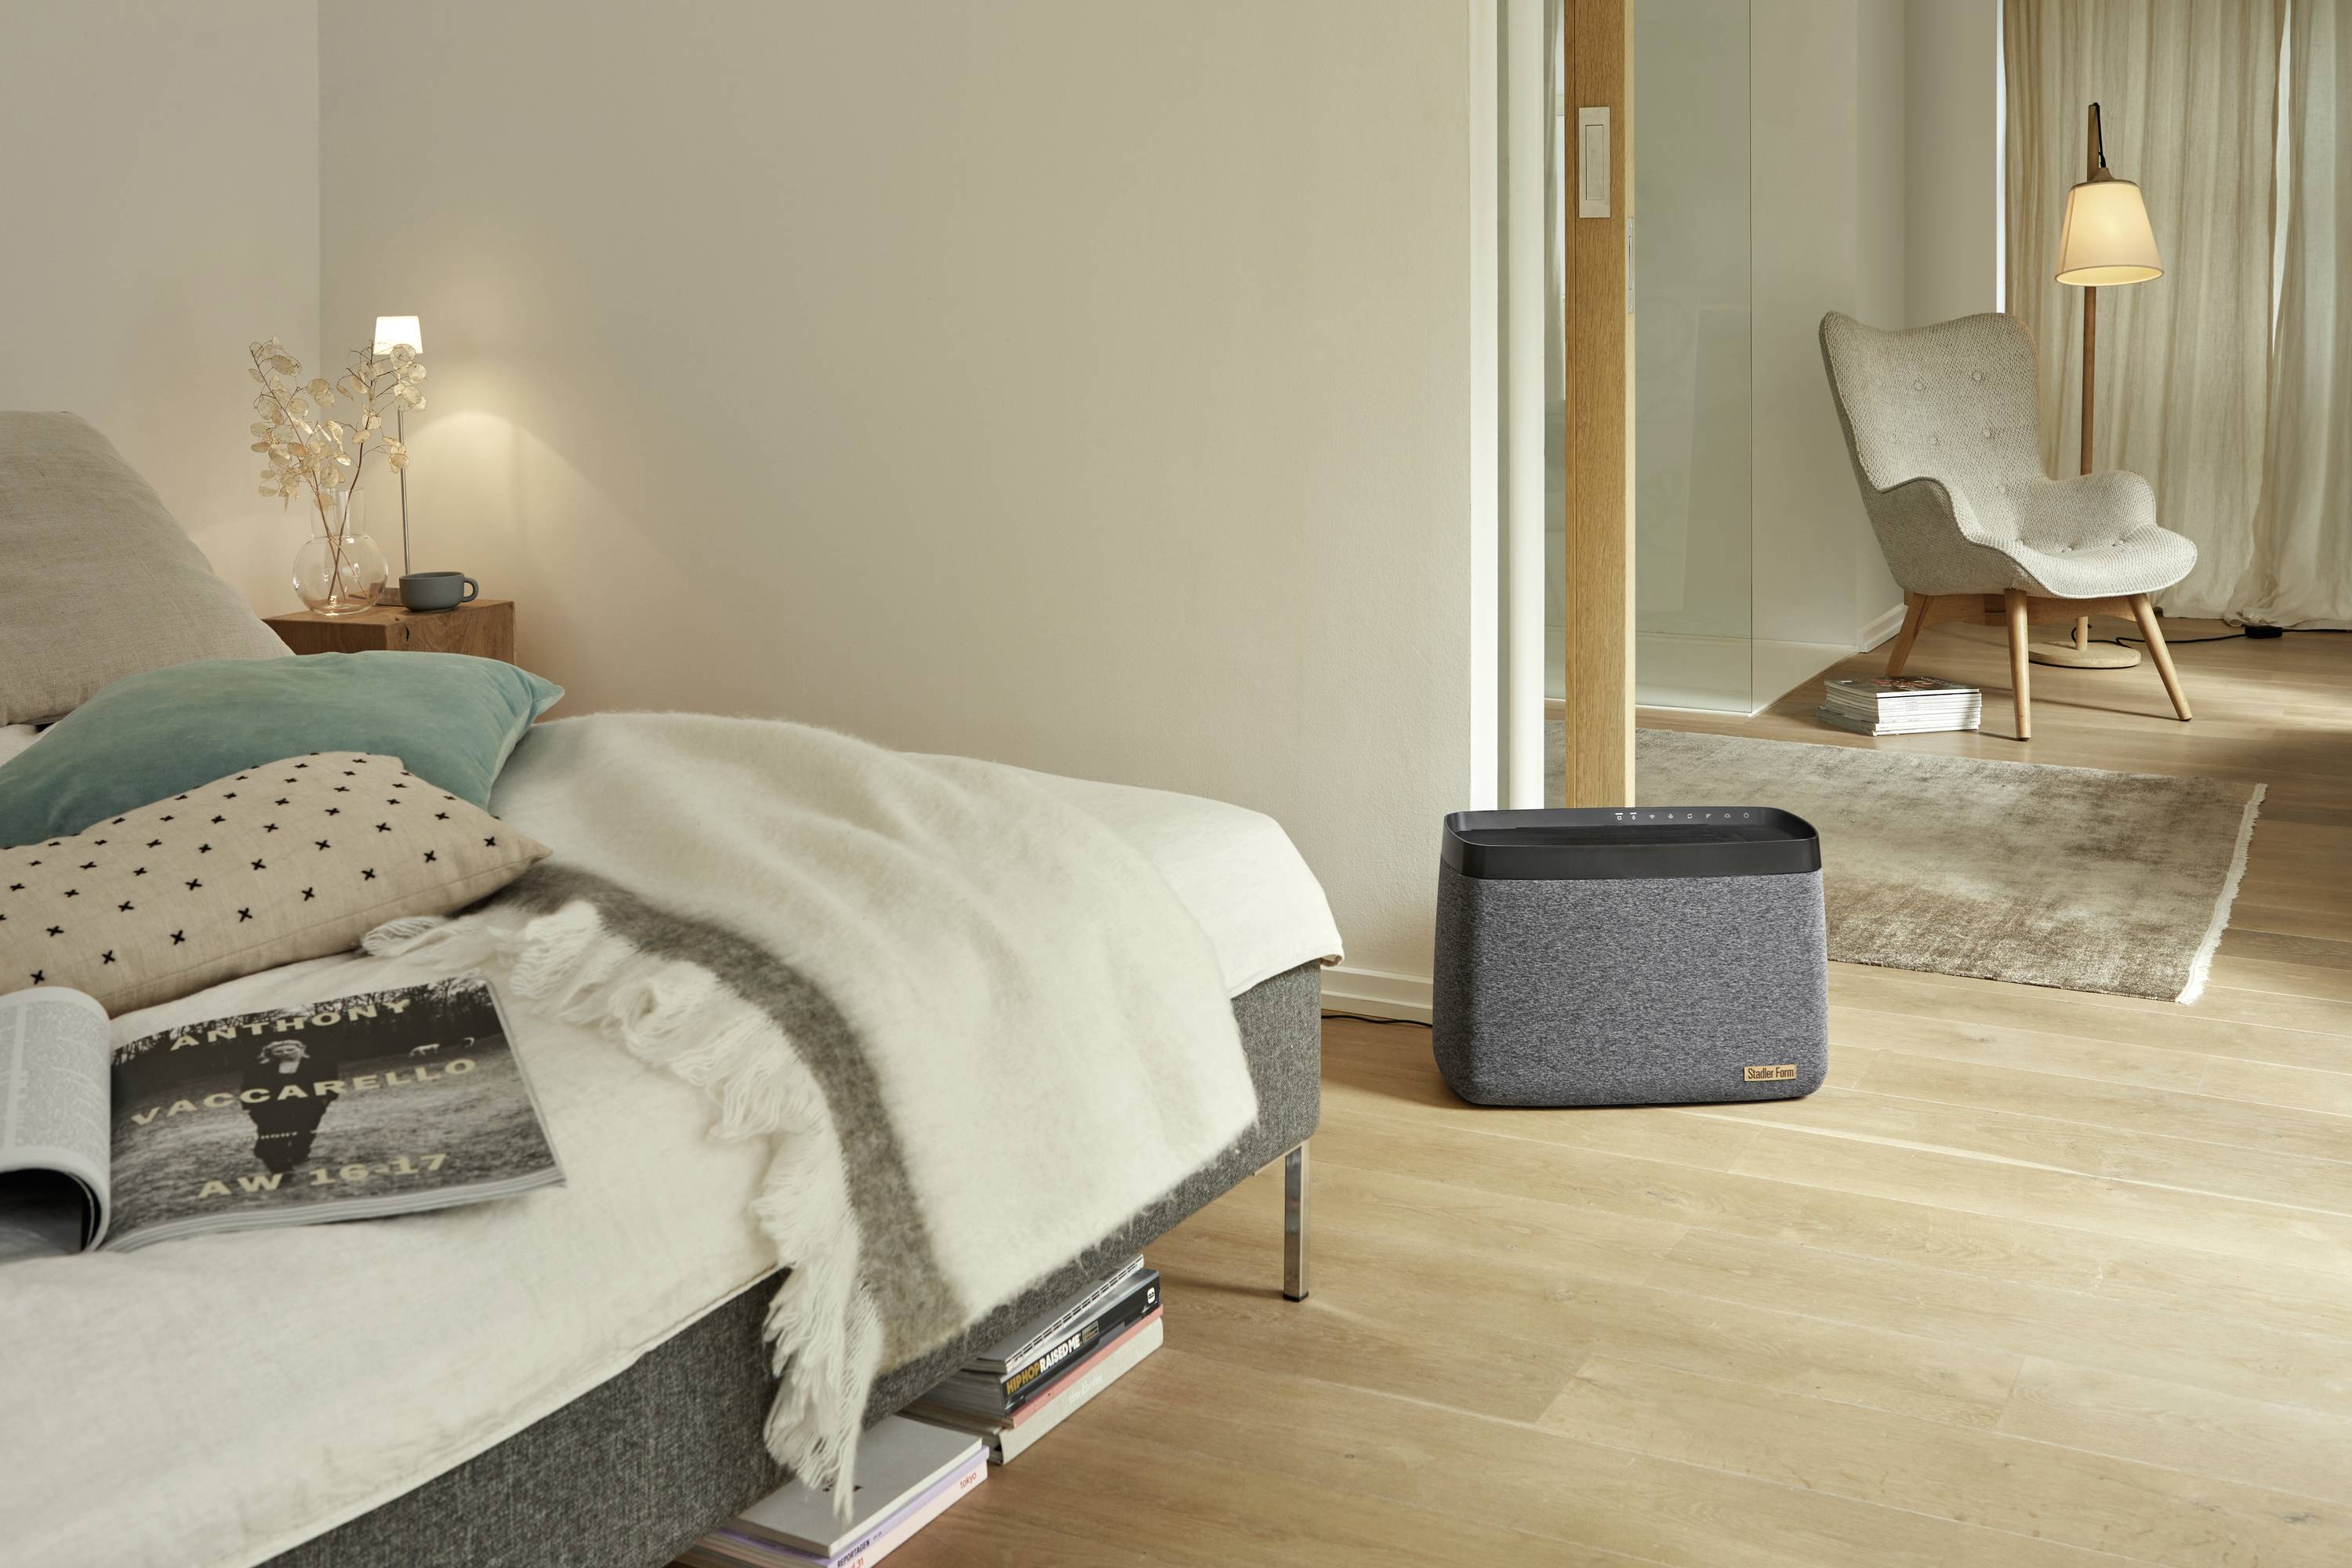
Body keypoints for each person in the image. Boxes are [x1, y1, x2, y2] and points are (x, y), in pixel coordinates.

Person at [238, 1039, 340, 1174]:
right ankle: (282, 1170)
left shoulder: (319, 1065)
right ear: (271, 1053)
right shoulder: (260, 1069)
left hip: (308, 1106)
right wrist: (252, 1108)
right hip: (274, 1109)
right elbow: (249, 1088)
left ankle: (298, 1155)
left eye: (291, 1050)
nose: (286, 1053)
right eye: (279, 1051)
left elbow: (330, 1083)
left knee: (304, 1133)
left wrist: (325, 1100)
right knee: (269, 1142)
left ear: (301, 1049)